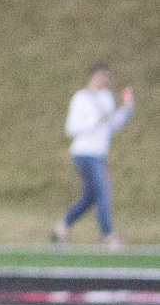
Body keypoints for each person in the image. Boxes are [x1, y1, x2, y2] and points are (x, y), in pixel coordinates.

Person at [57, 62, 133, 250]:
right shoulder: (81, 98)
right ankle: (108, 235)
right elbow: (71, 129)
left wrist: (126, 110)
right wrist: (94, 120)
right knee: (102, 190)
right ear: (94, 76)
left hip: (99, 153)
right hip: (84, 152)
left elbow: (111, 126)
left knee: (90, 196)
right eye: (103, 75)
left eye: (107, 76)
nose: (106, 79)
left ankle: (63, 226)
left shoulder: (107, 98)